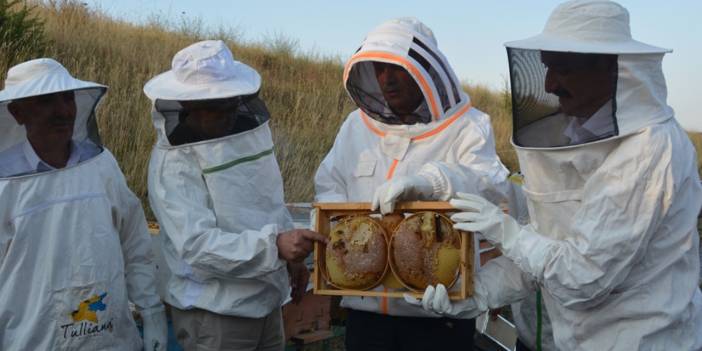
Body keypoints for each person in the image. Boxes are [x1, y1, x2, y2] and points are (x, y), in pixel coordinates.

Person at [412, 1, 702, 350]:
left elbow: (583, 277)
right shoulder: (573, 135)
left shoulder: (650, 149)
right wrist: (477, 295)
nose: (549, 84)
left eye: (563, 69)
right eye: (548, 68)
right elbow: (544, 247)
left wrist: (507, 234)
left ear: (611, 68)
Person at [314, 17, 512, 351]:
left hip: (439, 318)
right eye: (378, 69)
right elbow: (329, 183)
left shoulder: (468, 126)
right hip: (367, 315)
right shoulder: (354, 127)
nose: (385, 79)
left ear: (425, 71)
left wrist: (431, 182)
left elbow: (491, 186)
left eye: (395, 68)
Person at [144, 40, 327, 351]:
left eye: (233, 103)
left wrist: (291, 262)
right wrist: (275, 248)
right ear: (189, 106)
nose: (230, 114)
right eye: (219, 108)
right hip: (215, 312)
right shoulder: (172, 164)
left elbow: (268, 200)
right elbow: (196, 245)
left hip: (266, 299)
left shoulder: (246, 133)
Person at [0, 58, 167, 350]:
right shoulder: (5, 180)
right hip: (32, 339)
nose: (63, 111)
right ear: (17, 111)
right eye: (46, 100)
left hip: (112, 337)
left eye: (67, 98)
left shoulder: (102, 164)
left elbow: (135, 243)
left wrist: (151, 311)